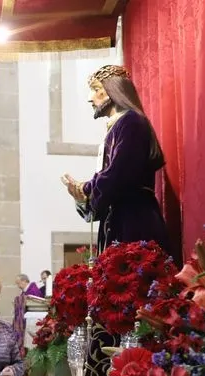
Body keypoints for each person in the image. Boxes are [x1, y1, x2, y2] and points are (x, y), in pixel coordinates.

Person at [61, 64, 169, 253]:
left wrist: (84, 188)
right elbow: (108, 181)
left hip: (134, 219)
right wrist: (81, 196)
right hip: (118, 218)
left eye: (95, 89)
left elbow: (117, 174)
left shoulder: (131, 122)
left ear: (112, 90)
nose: (90, 98)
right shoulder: (117, 126)